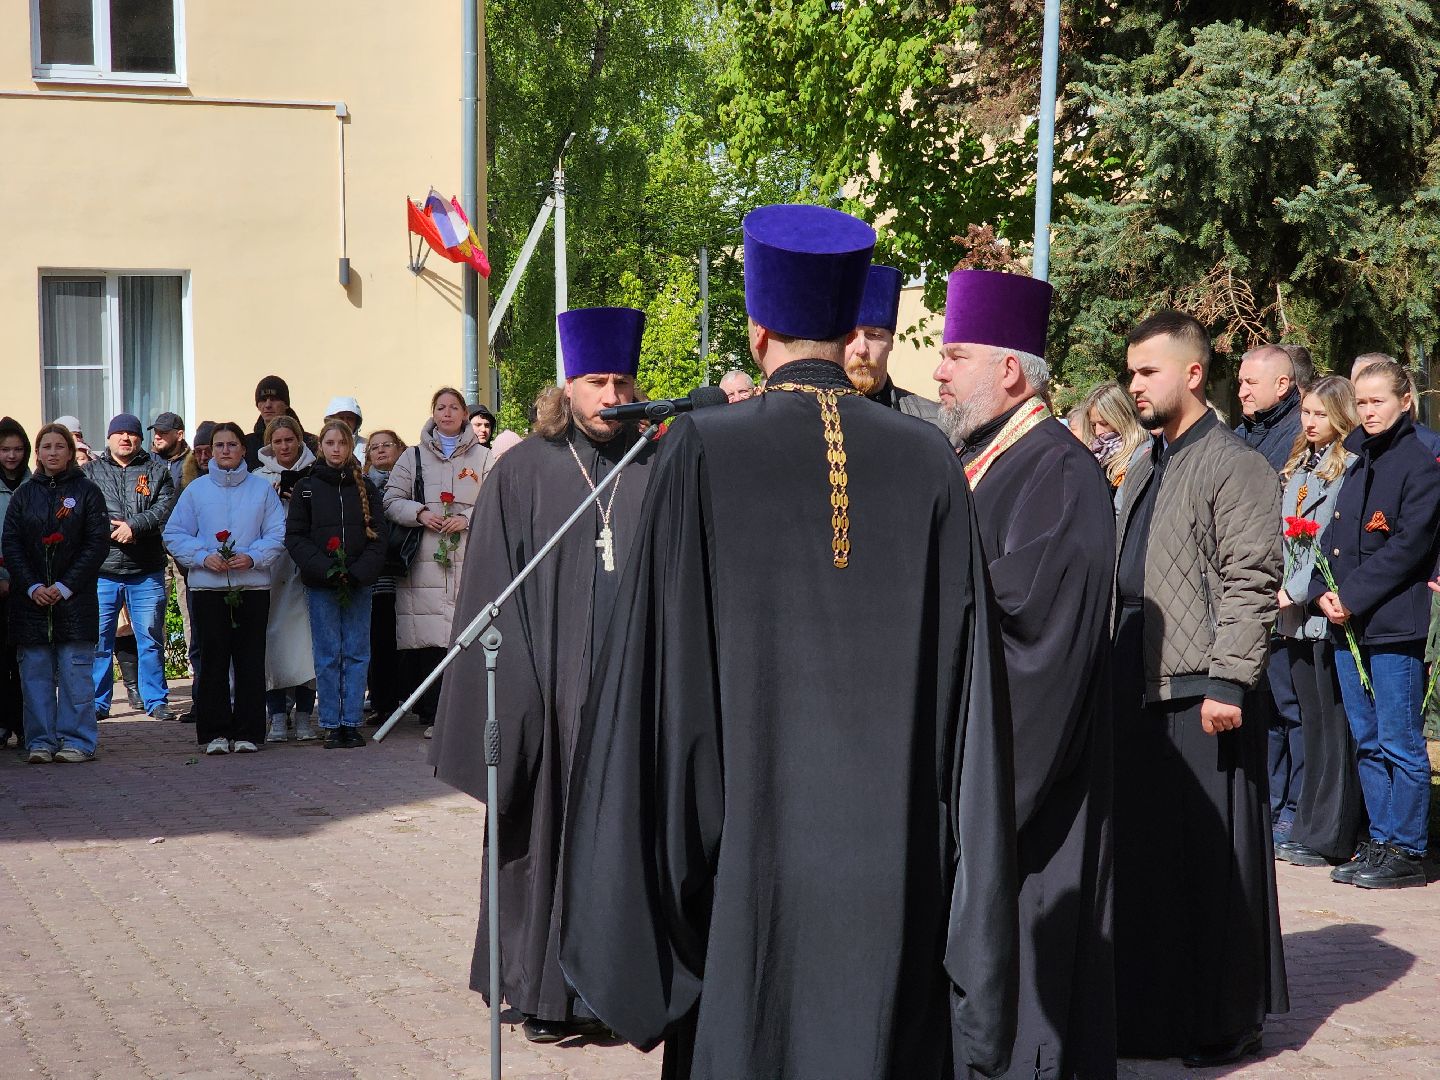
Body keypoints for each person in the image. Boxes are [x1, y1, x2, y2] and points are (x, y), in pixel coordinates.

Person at [560, 205, 1019, 1079]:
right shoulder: (928, 460)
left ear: (758, 326)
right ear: (854, 330)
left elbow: (665, 687)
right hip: (896, 858)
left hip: (751, 872)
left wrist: (665, 876)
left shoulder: (701, 450)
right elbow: (970, 699)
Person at [427, 307, 659, 1043]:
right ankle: (542, 991)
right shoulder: (522, 469)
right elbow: (490, 589)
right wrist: (517, 709)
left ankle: (619, 992)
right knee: (541, 836)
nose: (612, 395)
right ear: (568, 384)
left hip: (636, 695)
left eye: (622, 379)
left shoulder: (656, 463)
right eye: (597, 381)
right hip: (546, 697)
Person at [935, 268, 1117, 1080]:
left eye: (955, 354)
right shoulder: (989, 458)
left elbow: (1042, 640)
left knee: (1031, 1004)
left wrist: (976, 784)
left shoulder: (1062, 474)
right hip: (989, 758)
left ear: (1009, 370)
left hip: (1027, 774)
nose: (939, 371)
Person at [1113, 310, 1287, 1066]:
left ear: (1191, 373)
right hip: (1142, 690)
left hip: (1205, 695)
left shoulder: (1234, 462)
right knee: (1154, 867)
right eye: (1130, 372)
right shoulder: (1149, 461)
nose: (1133, 385)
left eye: (1147, 371)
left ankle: (1225, 1019)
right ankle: (1157, 1016)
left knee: (1217, 872)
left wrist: (1229, 680)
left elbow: (1252, 578)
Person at [1313, 359, 1440, 889]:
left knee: (1399, 740)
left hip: (1393, 622)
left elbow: (1409, 546)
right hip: (1349, 621)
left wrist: (1352, 595)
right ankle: (1382, 838)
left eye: (1378, 401)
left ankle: (1408, 847)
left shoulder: (1421, 460)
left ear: (1405, 400)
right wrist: (1323, 589)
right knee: (1365, 738)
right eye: (1361, 403)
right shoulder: (1358, 457)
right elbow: (1333, 534)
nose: (1368, 412)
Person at [1272, 377, 1366, 869]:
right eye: (1305, 412)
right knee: (1310, 723)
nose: (1309, 422)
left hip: (1323, 608)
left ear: (1342, 417)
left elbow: (1332, 539)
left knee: (1335, 725)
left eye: (1320, 414)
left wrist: (1300, 587)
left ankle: (1333, 832)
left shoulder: (1349, 469)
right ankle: (1309, 824)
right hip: (1294, 614)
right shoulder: (1300, 466)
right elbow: (1288, 536)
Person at [163, 422, 286, 755]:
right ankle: (215, 732)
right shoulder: (197, 490)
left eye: (232, 444)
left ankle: (248, 731)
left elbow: (276, 533)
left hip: (252, 587)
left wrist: (253, 557)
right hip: (208, 590)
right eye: (219, 445)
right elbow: (174, 533)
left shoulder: (261, 490)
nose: (226, 450)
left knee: (249, 660)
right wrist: (203, 558)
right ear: (210, 451)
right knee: (213, 662)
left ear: (243, 450)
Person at [383, 387, 493, 738]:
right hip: (425, 561)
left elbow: (498, 501)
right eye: (440, 407)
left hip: (468, 556)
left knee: (465, 634)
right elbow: (391, 501)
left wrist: (469, 518)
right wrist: (421, 513)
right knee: (430, 638)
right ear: (433, 413)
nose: (447, 413)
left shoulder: (485, 457)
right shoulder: (411, 457)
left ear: (464, 414)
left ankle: (464, 713)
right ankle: (434, 716)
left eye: (454, 407)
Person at [2, 423, 110, 763]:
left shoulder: (88, 492)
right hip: (31, 602)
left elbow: (96, 544)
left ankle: (77, 740)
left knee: (76, 673)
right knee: (34, 675)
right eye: (46, 447)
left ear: (70, 450)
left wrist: (64, 586)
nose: (52, 453)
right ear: (38, 453)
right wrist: (33, 585)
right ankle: (40, 741)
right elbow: (12, 544)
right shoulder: (24, 495)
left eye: (59, 446)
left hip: (74, 601)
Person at [286, 420, 389, 749]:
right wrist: (326, 567)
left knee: (357, 652)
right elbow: (296, 537)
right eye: (329, 443)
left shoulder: (366, 488)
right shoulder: (307, 487)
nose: (335, 449)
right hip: (322, 583)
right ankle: (331, 722)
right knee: (329, 653)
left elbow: (378, 536)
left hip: (358, 581)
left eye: (341, 443)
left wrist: (360, 570)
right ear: (321, 447)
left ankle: (352, 721)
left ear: (349, 447)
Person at [85, 413, 178, 722]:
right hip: (102, 570)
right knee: (99, 641)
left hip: (146, 570)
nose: (125, 438)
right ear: (109, 438)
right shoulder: (90, 473)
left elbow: (163, 509)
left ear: (140, 439)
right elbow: (86, 512)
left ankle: (155, 700)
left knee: (150, 638)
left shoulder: (157, 471)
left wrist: (134, 527)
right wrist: (112, 529)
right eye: (119, 433)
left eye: (131, 434)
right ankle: (98, 703)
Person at [254, 416, 319, 742]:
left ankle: (305, 718)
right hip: (271, 571)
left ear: (299, 441)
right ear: (270, 444)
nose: (284, 447)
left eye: (289, 440)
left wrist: (301, 504)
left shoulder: (317, 473)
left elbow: (326, 519)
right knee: (273, 646)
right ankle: (277, 717)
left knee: (307, 647)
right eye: (277, 441)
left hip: (305, 569)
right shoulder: (257, 478)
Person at [844, 263, 942, 427]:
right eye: (850, 336)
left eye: (874, 335)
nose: (861, 349)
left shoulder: (933, 424)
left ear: (891, 342)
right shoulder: (806, 420)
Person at [362, 430, 406, 723]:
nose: (380, 451)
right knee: (378, 638)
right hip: (377, 577)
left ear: (400, 449)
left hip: (407, 572)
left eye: (386, 445)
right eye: (373, 448)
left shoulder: (412, 482)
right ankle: (381, 701)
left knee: (405, 638)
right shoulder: (362, 487)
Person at [0, 418, 31, 748]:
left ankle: (24, 723)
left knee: (22, 659)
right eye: (5, 449)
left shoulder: (35, 485)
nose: (11, 456)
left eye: (17, 449)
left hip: (25, 585)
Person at [1074, 381, 1148, 497]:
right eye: (1093, 425)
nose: (1098, 432)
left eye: (1104, 423)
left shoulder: (1141, 454)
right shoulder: (1095, 452)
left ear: (1122, 417)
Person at [1235, 345, 1303, 470]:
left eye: (1251, 383)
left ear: (1281, 385)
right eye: (1241, 382)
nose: (1241, 393)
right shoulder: (1243, 430)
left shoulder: (1303, 434)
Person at [244, 375, 315, 468]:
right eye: (263, 400)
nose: (268, 405)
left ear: (286, 404)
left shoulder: (312, 443)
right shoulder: (247, 444)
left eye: (273, 399)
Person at [149, 412, 189, 490]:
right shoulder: (147, 461)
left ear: (180, 435)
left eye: (163, 432)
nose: (157, 436)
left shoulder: (192, 463)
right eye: (155, 432)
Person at [324, 396, 366, 462]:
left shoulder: (367, 446)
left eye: (350, 418)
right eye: (341, 418)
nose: (345, 422)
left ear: (356, 422)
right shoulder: (321, 445)